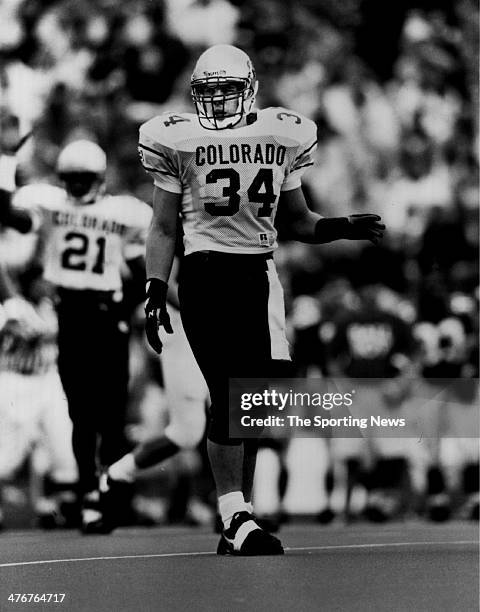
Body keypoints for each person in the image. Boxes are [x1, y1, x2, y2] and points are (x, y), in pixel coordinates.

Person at [136, 43, 384, 556]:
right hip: (204, 272)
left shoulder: (282, 134)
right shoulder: (177, 139)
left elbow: (297, 221)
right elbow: (162, 226)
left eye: (228, 92)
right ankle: (236, 514)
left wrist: (339, 226)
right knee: (230, 394)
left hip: (259, 273)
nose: (219, 102)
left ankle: (237, 511)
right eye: (210, 93)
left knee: (258, 398)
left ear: (249, 88)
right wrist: (155, 286)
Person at [0, 136, 152, 534]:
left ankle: (111, 492)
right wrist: (6, 164)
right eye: (72, 178)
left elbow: (141, 269)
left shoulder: (123, 212)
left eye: (84, 179)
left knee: (112, 418)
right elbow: (10, 215)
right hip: (72, 316)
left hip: (105, 315)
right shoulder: (52, 206)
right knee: (82, 416)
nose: (78, 186)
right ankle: (90, 496)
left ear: (100, 178)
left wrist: (134, 307)